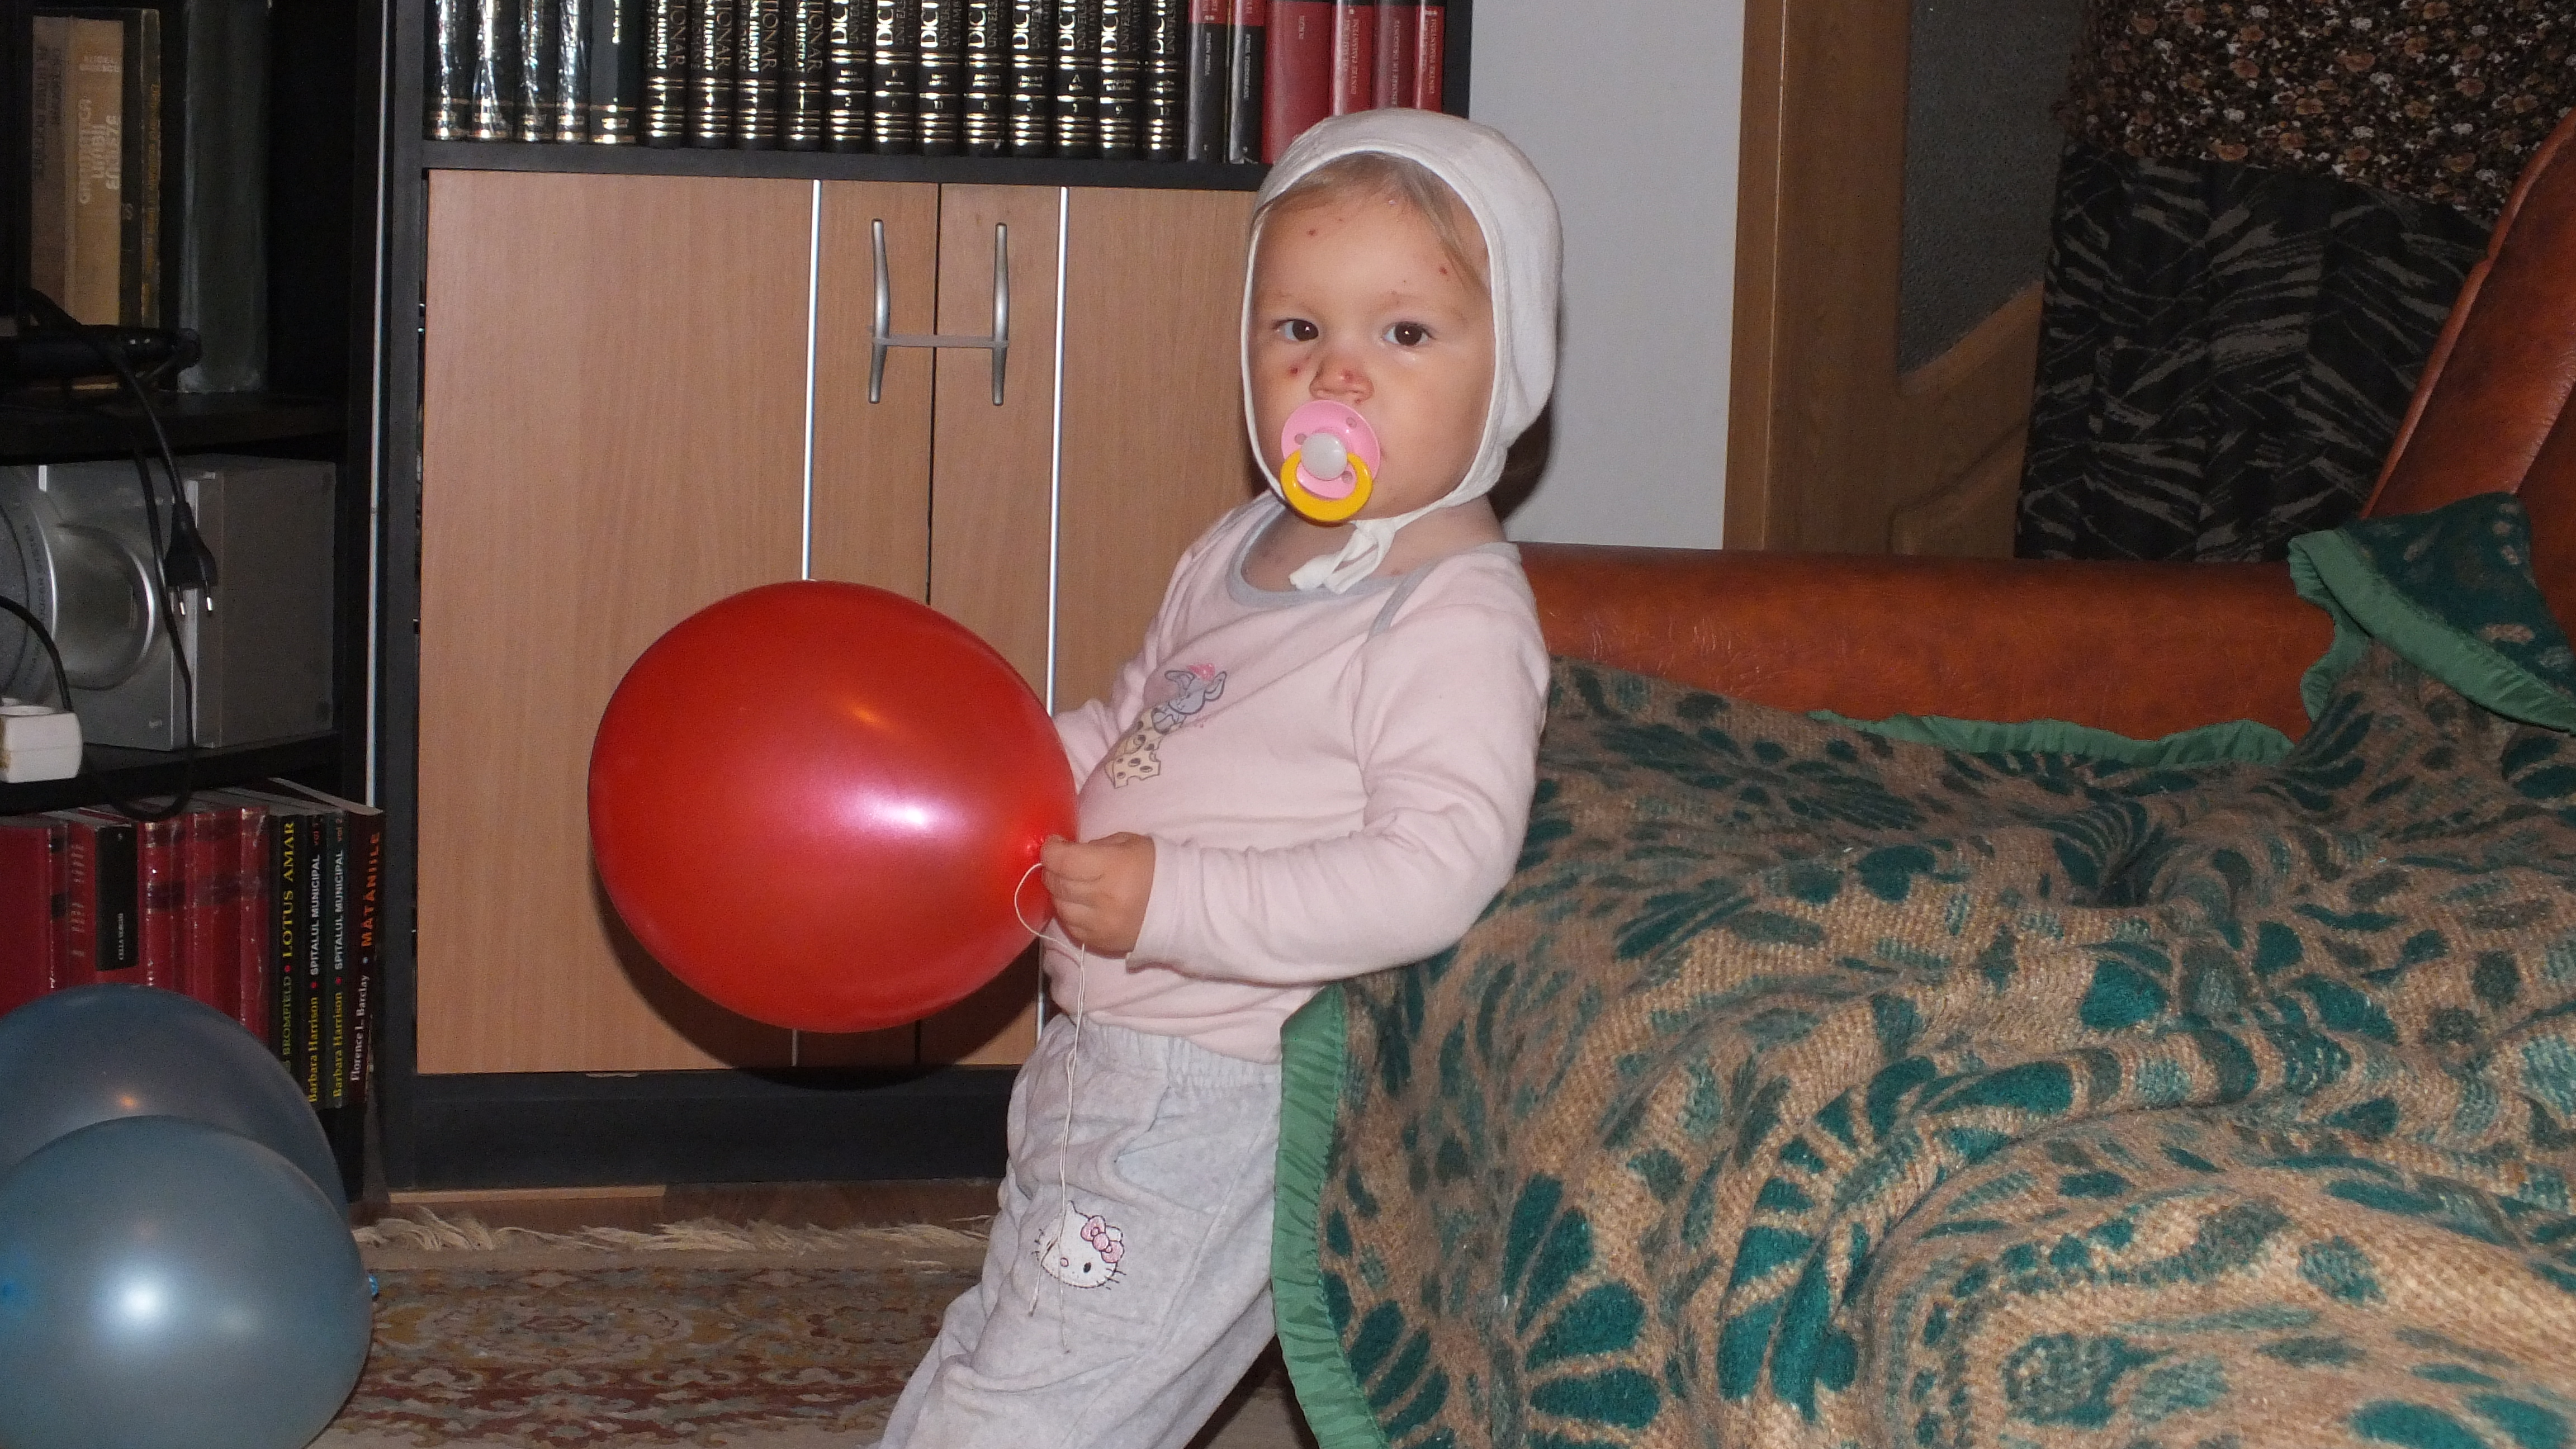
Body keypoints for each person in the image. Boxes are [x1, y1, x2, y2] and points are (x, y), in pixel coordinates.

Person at [868, 108, 1561, 1449]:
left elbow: (1434, 872)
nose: (1337, 375)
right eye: (1298, 328)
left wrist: (1175, 902)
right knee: (1021, 1343)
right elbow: (1142, 732)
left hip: (1217, 1081)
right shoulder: (1241, 547)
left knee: (1036, 1399)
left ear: (1512, 367)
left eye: (1404, 333)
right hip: (1101, 1042)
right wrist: (1002, 773)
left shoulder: (1453, 613)